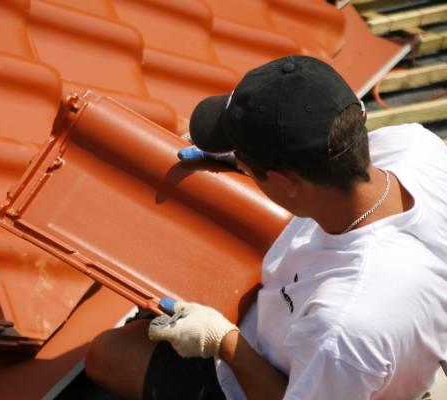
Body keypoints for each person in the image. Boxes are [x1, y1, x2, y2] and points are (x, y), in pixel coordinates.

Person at [84, 55, 447, 399]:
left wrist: (225, 342)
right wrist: (247, 162)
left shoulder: (341, 325)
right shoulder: (414, 146)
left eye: (252, 169)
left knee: (107, 355)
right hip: (328, 340)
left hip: (285, 378)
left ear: (287, 181)